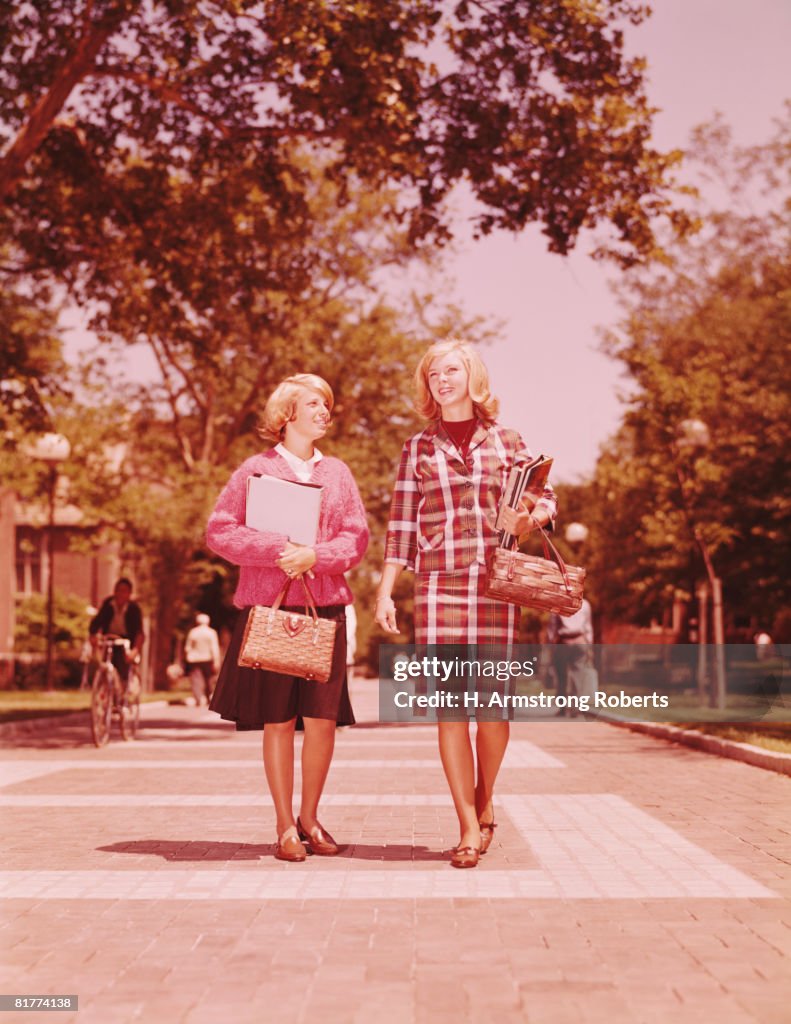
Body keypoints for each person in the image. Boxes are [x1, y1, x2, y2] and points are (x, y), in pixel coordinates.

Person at [375, 339, 557, 868]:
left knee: (493, 707)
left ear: (472, 376)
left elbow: (544, 495)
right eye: (433, 374)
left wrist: (531, 519)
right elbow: (402, 521)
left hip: (493, 582)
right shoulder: (417, 448)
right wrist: (387, 589)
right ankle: (466, 827)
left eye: (451, 370)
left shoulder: (507, 440)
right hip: (436, 585)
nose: (442, 380)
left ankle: (484, 796)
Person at [206, 374, 369, 862]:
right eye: (314, 403)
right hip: (269, 609)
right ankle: (283, 827)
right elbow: (219, 532)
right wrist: (278, 549)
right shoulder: (254, 471)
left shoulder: (338, 472)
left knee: (321, 721)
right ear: (287, 414)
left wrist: (314, 557)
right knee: (279, 721)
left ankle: (310, 818)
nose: (325, 411)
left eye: (327, 404)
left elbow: (356, 538)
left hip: (326, 609)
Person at [89, 577, 144, 691]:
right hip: (109, 638)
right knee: (105, 664)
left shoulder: (134, 609)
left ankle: (124, 690)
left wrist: (135, 650)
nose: (120, 594)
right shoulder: (108, 604)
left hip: (126, 640)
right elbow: (97, 622)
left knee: (122, 665)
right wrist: (93, 636)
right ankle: (105, 690)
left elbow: (139, 632)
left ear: (129, 594)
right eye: (118, 590)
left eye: (124, 591)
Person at [547, 598, 594, 715]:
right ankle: (575, 708)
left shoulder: (558, 602)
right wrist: (589, 645)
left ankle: (562, 708)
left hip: (563, 641)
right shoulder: (585, 604)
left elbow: (552, 628)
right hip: (580, 641)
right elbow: (588, 626)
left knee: (561, 675)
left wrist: (552, 644)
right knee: (578, 674)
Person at [184, 613, 221, 706]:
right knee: (209, 679)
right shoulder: (211, 633)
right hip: (207, 659)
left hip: (194, 659)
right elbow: (214, 648)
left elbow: (187, 648)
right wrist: (216, 660)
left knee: (196, 680)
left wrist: (187, 656)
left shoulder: (193, 632)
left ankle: (198, 698)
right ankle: (208, 697)